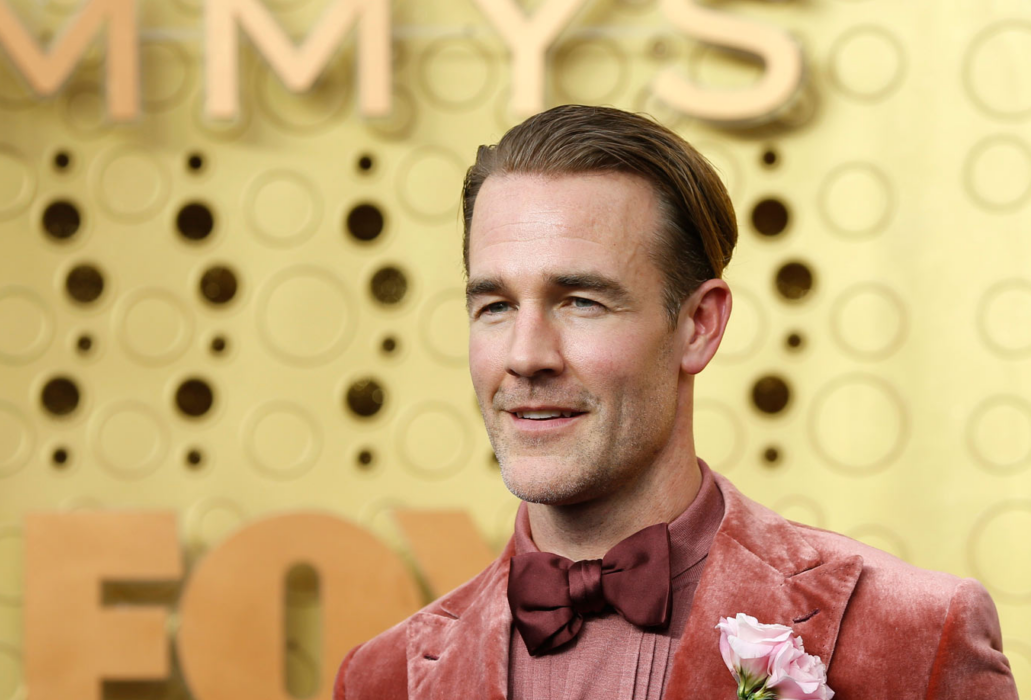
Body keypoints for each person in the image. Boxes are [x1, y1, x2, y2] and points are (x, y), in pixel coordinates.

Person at [332, 105, 1018, 699]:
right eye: (496, 305)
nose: (526, 355)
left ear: (699, 326)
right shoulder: (381, 680)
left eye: (580, 301)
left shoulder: (916, 636)